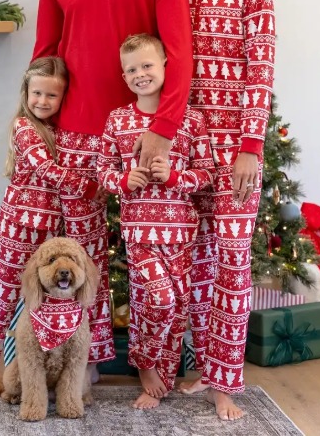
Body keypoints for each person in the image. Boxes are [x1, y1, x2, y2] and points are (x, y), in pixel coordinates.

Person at [33, 0, 193, 375]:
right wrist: (33, 127)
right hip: (77, 132)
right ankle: (90, 358)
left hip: (140, 133)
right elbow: (45, 55)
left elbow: (179, 51)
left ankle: (155, 363)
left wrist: (163, 130)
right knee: (82, 255)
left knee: (153, 258)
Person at [167, 0, 276, 421]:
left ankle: (226, 383)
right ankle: (205, 369)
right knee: (196, 267)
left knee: (232, 267)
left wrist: (250, 148)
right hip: (188, 147)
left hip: (237, 150)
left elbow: (262, 68)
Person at [97, 34, 214, 409]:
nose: (140, 74)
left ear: (165, 65)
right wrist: (121, 181)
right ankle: (145, 364)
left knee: (176, 307)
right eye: (131, 69)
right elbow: (103, 171)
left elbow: (207, 173)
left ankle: (159, 382)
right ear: (123, 75)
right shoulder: (118, 120)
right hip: (140, 232)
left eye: (147, 65)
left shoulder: (190, 119)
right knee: (159, 300)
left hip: (181, 232)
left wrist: (175, 177)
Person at [0, 57, 100, 376]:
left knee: (55, 294)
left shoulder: (59, 129)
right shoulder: (24, 127)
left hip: (50, 228)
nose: (42, 101)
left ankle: (54, 366)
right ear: (25, 93)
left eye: (51, 95)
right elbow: (45, 169)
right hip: (17, 226)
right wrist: (87, 186)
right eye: (37, 93)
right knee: (2, 291)